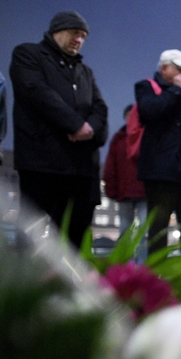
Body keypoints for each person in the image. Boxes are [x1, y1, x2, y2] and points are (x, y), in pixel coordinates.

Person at [10, 11, 109, 248]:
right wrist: (75, 124)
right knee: (31, 233)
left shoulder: (85, 71)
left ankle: (66, 284)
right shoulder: (28, 54)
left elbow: (100, 108)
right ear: (58, 31)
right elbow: (37, 92)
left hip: (80, 167)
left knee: (74, 236)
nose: (79, 40)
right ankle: (26, 283)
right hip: (42, 163)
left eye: (83, 36)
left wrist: (90, 129)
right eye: (75, 33)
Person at [136, 49, 181, 257]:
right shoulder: (147, 88)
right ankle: (157, 277)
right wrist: (175, 91)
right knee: (158, 226)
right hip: (161, 172)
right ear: (165, 68)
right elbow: (149, 111)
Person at [102, 105, 147, 262]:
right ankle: (124, 265)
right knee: (124, 230)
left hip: (143, 191)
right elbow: (110, 165)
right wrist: (111, 188)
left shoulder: (146, 136)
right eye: (129, 115)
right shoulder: (118, 139)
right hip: (125, 191)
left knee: (143, 232)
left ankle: (142, 266)